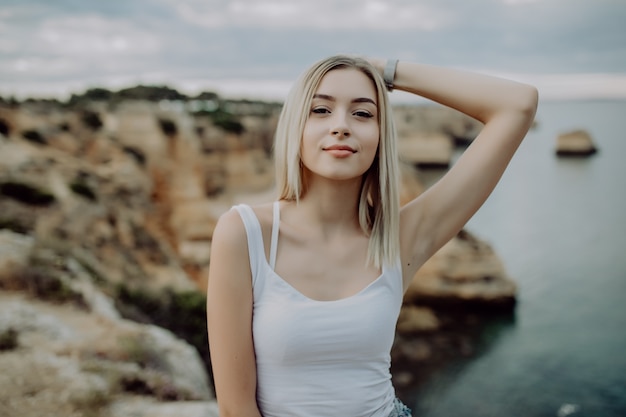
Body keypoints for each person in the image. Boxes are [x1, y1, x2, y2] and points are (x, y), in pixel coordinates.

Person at [206, 54, 538, 417]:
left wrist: (384, 71)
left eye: (363, 113)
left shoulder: (401, 239)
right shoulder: (245, 234)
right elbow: (235, 406)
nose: (341, 126)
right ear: (295, 126)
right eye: (320, 110)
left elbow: (517, 105)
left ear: (381, 136)